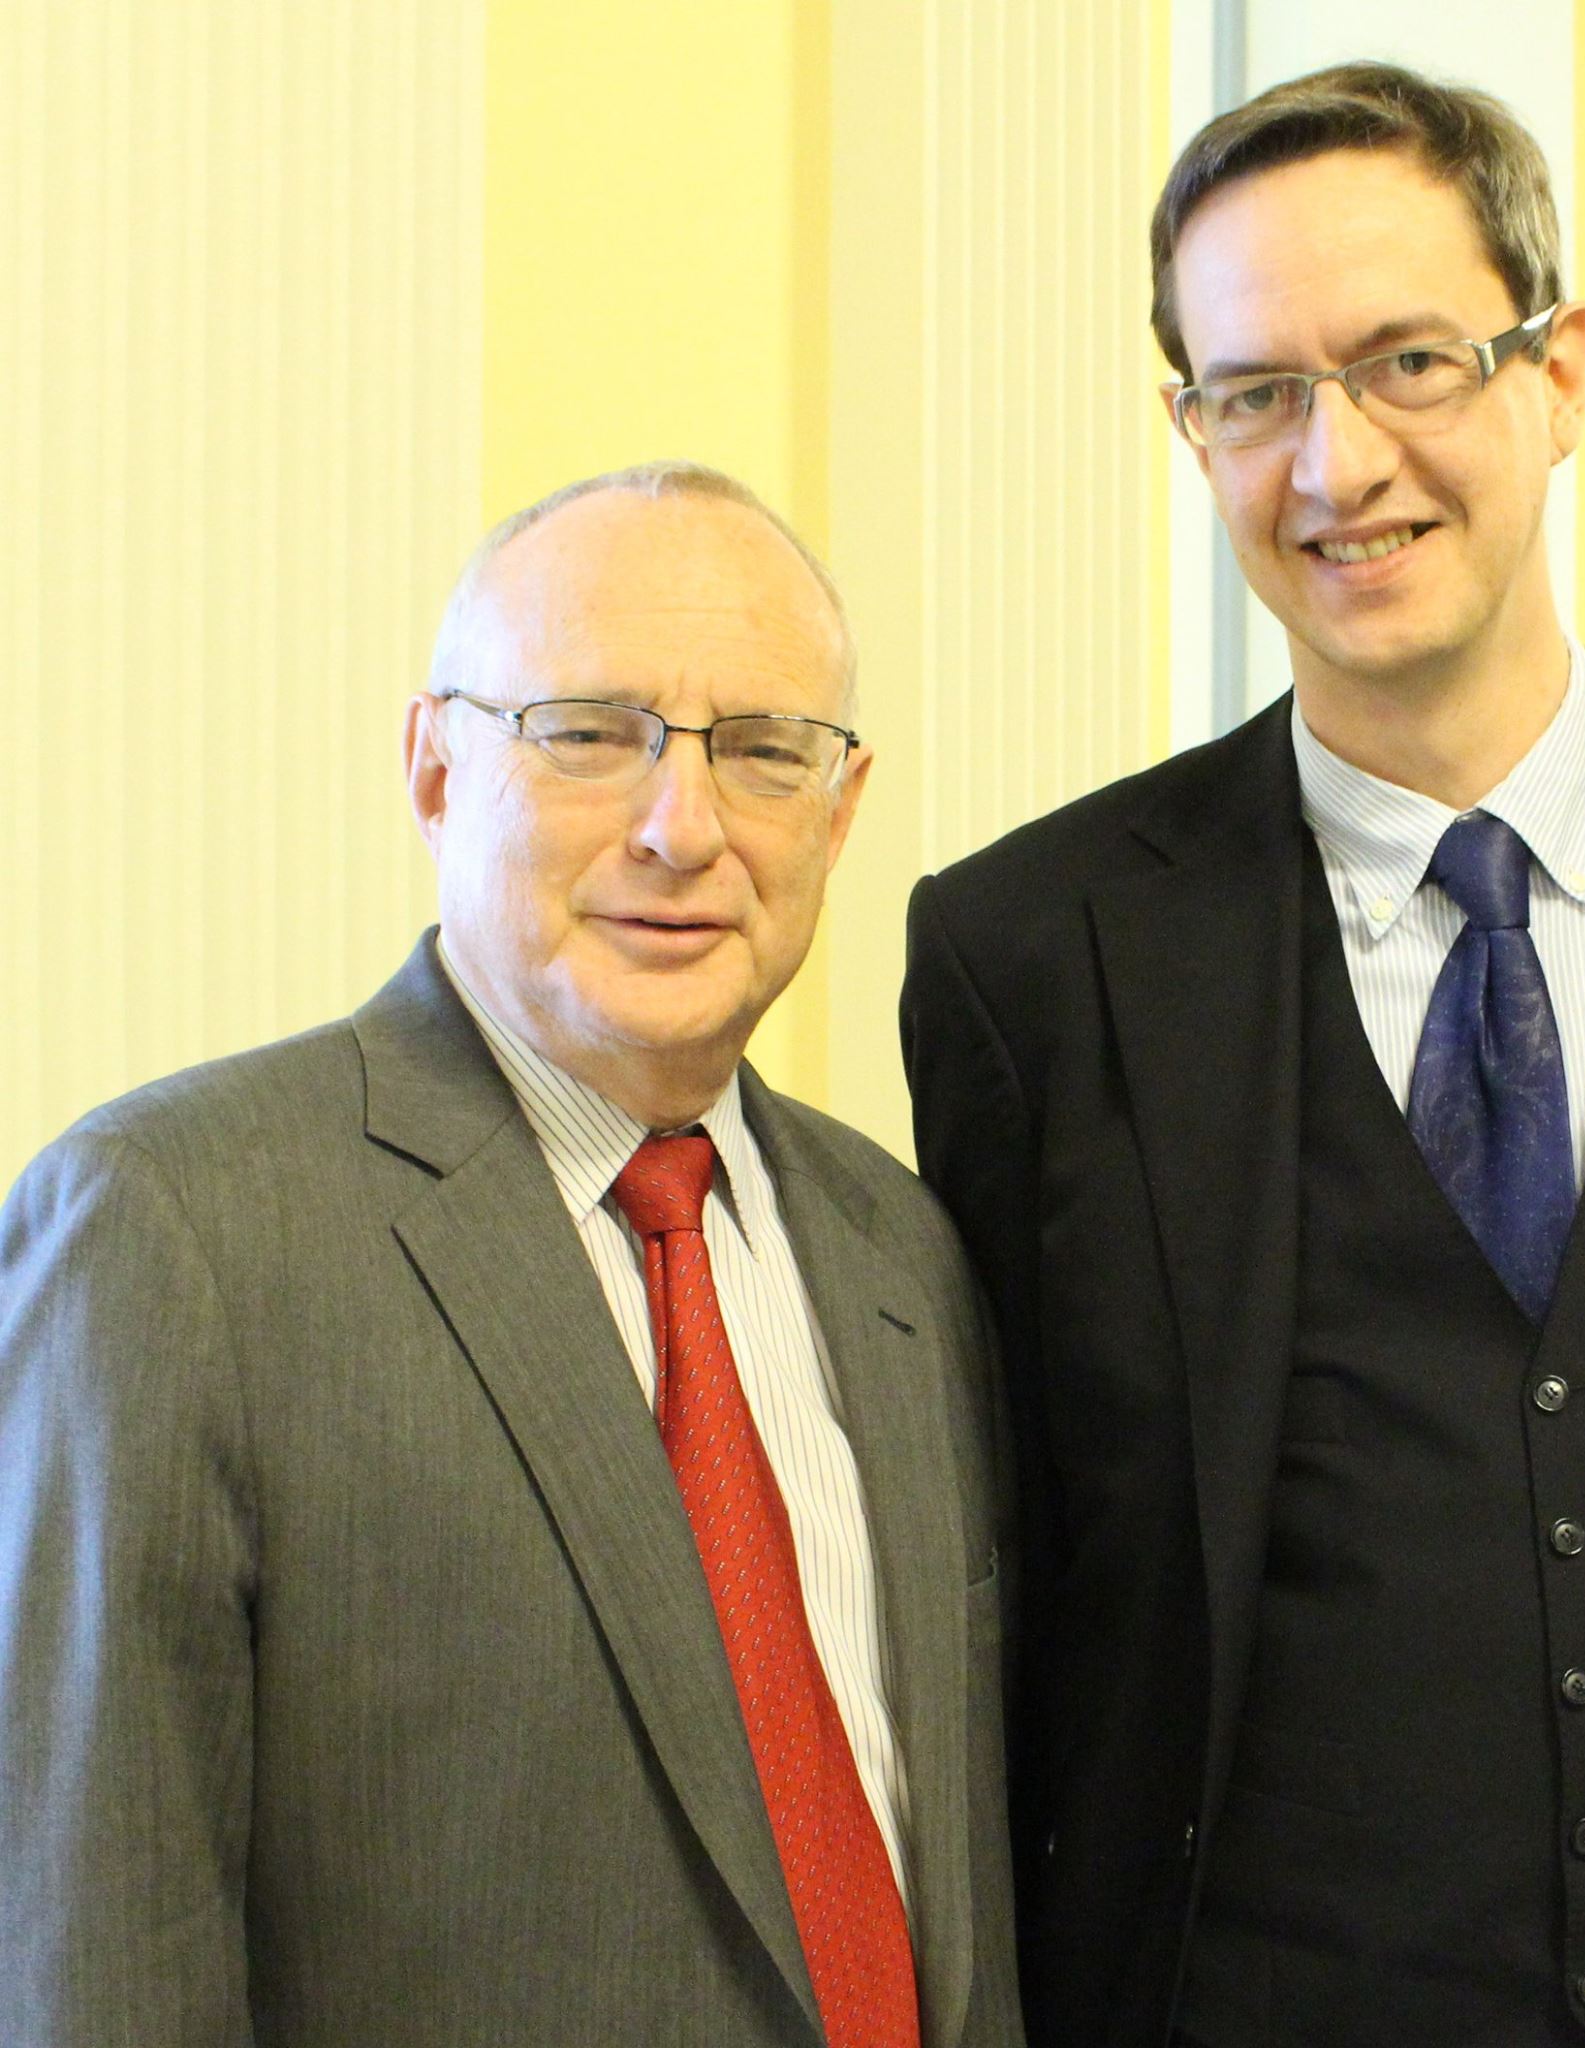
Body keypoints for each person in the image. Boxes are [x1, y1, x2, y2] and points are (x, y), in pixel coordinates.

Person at [901, 59, 1585, 2048]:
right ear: (1190, 433)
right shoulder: (1027, 956)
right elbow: (1014, 1607)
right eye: (1251, 391)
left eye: (1408, 359)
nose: (1334, 462)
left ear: (1559, 370)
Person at [0, 463, 1022, 2048]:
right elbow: (92, 1962)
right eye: (588, 736)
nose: (681, 829)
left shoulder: (903, 1252)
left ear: (841, 805)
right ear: (431, 767)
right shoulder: (175, 1230)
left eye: (760, 753)